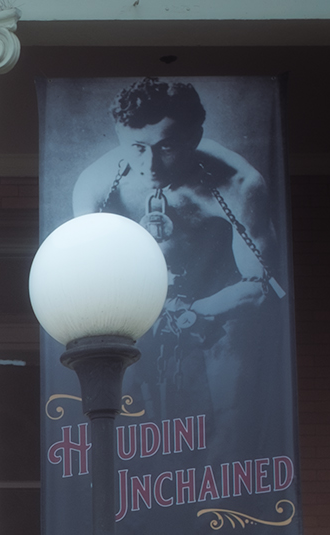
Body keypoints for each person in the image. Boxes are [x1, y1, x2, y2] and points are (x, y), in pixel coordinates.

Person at [70, 76, 285, 419]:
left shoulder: (238, 183)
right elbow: (87, 281)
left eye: (165, 147)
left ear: (193, 137)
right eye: (137, 148)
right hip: (131, 311)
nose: (150, 164)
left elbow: (261, 287)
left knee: (231, 414)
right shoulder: (96, 185)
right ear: (119, 137)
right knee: (123, 419)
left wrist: (194, 312)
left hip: (218, 310)